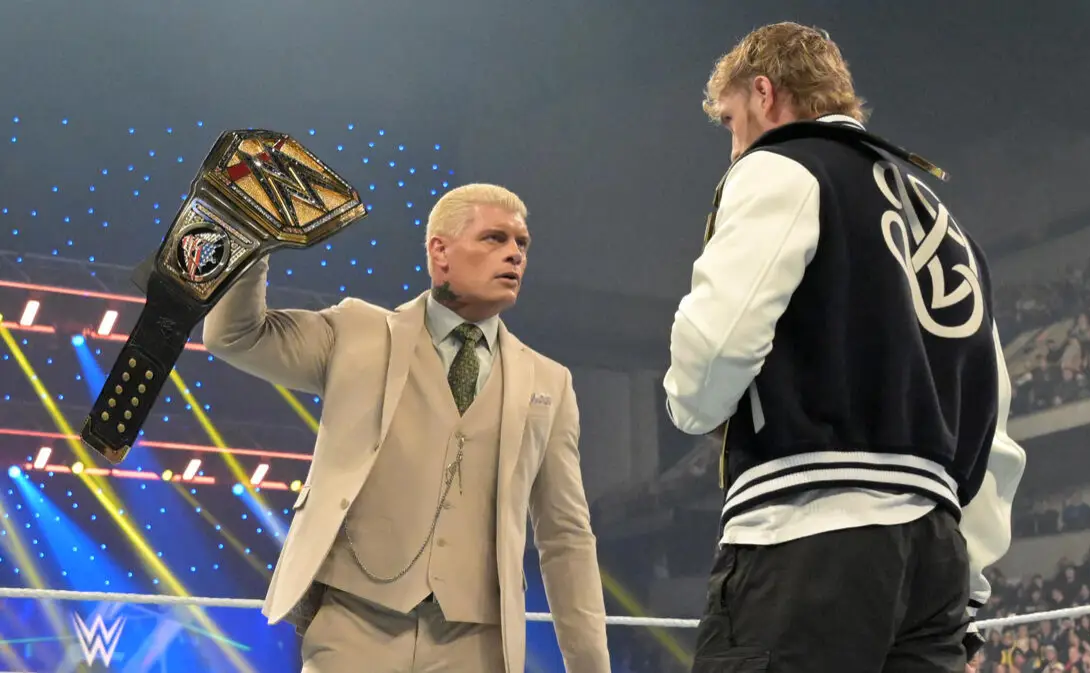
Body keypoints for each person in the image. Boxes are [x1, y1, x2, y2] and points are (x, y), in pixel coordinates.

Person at [663, 22, 1027, 672]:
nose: (734, 145)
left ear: (764, 94)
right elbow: (989, 411)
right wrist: (967, 577)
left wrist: (689, 402)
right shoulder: (946, 224)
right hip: (936, 559)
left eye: (731, 121)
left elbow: (714, 351)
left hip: (808, 533)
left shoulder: (782, 165)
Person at [204, 183, 610, 672]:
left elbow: (566, 537)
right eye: (494, 238)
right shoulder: (357, 332)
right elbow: (233, 336)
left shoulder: (549, 382)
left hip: (476, 644)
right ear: (440, 251)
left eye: (521, 243)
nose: (514, 255)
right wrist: (255, 240)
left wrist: (590, 667)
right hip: (354, 626)